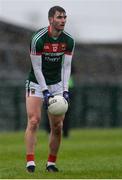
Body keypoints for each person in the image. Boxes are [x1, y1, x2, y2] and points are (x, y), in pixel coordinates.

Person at [25, 6, 75, 173]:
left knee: (58, 126)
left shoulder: (69, 40)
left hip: (57, 84)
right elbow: (37, 68)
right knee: (34, 121)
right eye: (59, 17)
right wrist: (45, 91)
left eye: (64, 17)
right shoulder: (38, 39)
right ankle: (30, 162)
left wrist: (65, 90)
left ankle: (51, 163)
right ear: (50, 20)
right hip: (37, 83)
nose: (63, 20)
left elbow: (67, 67)